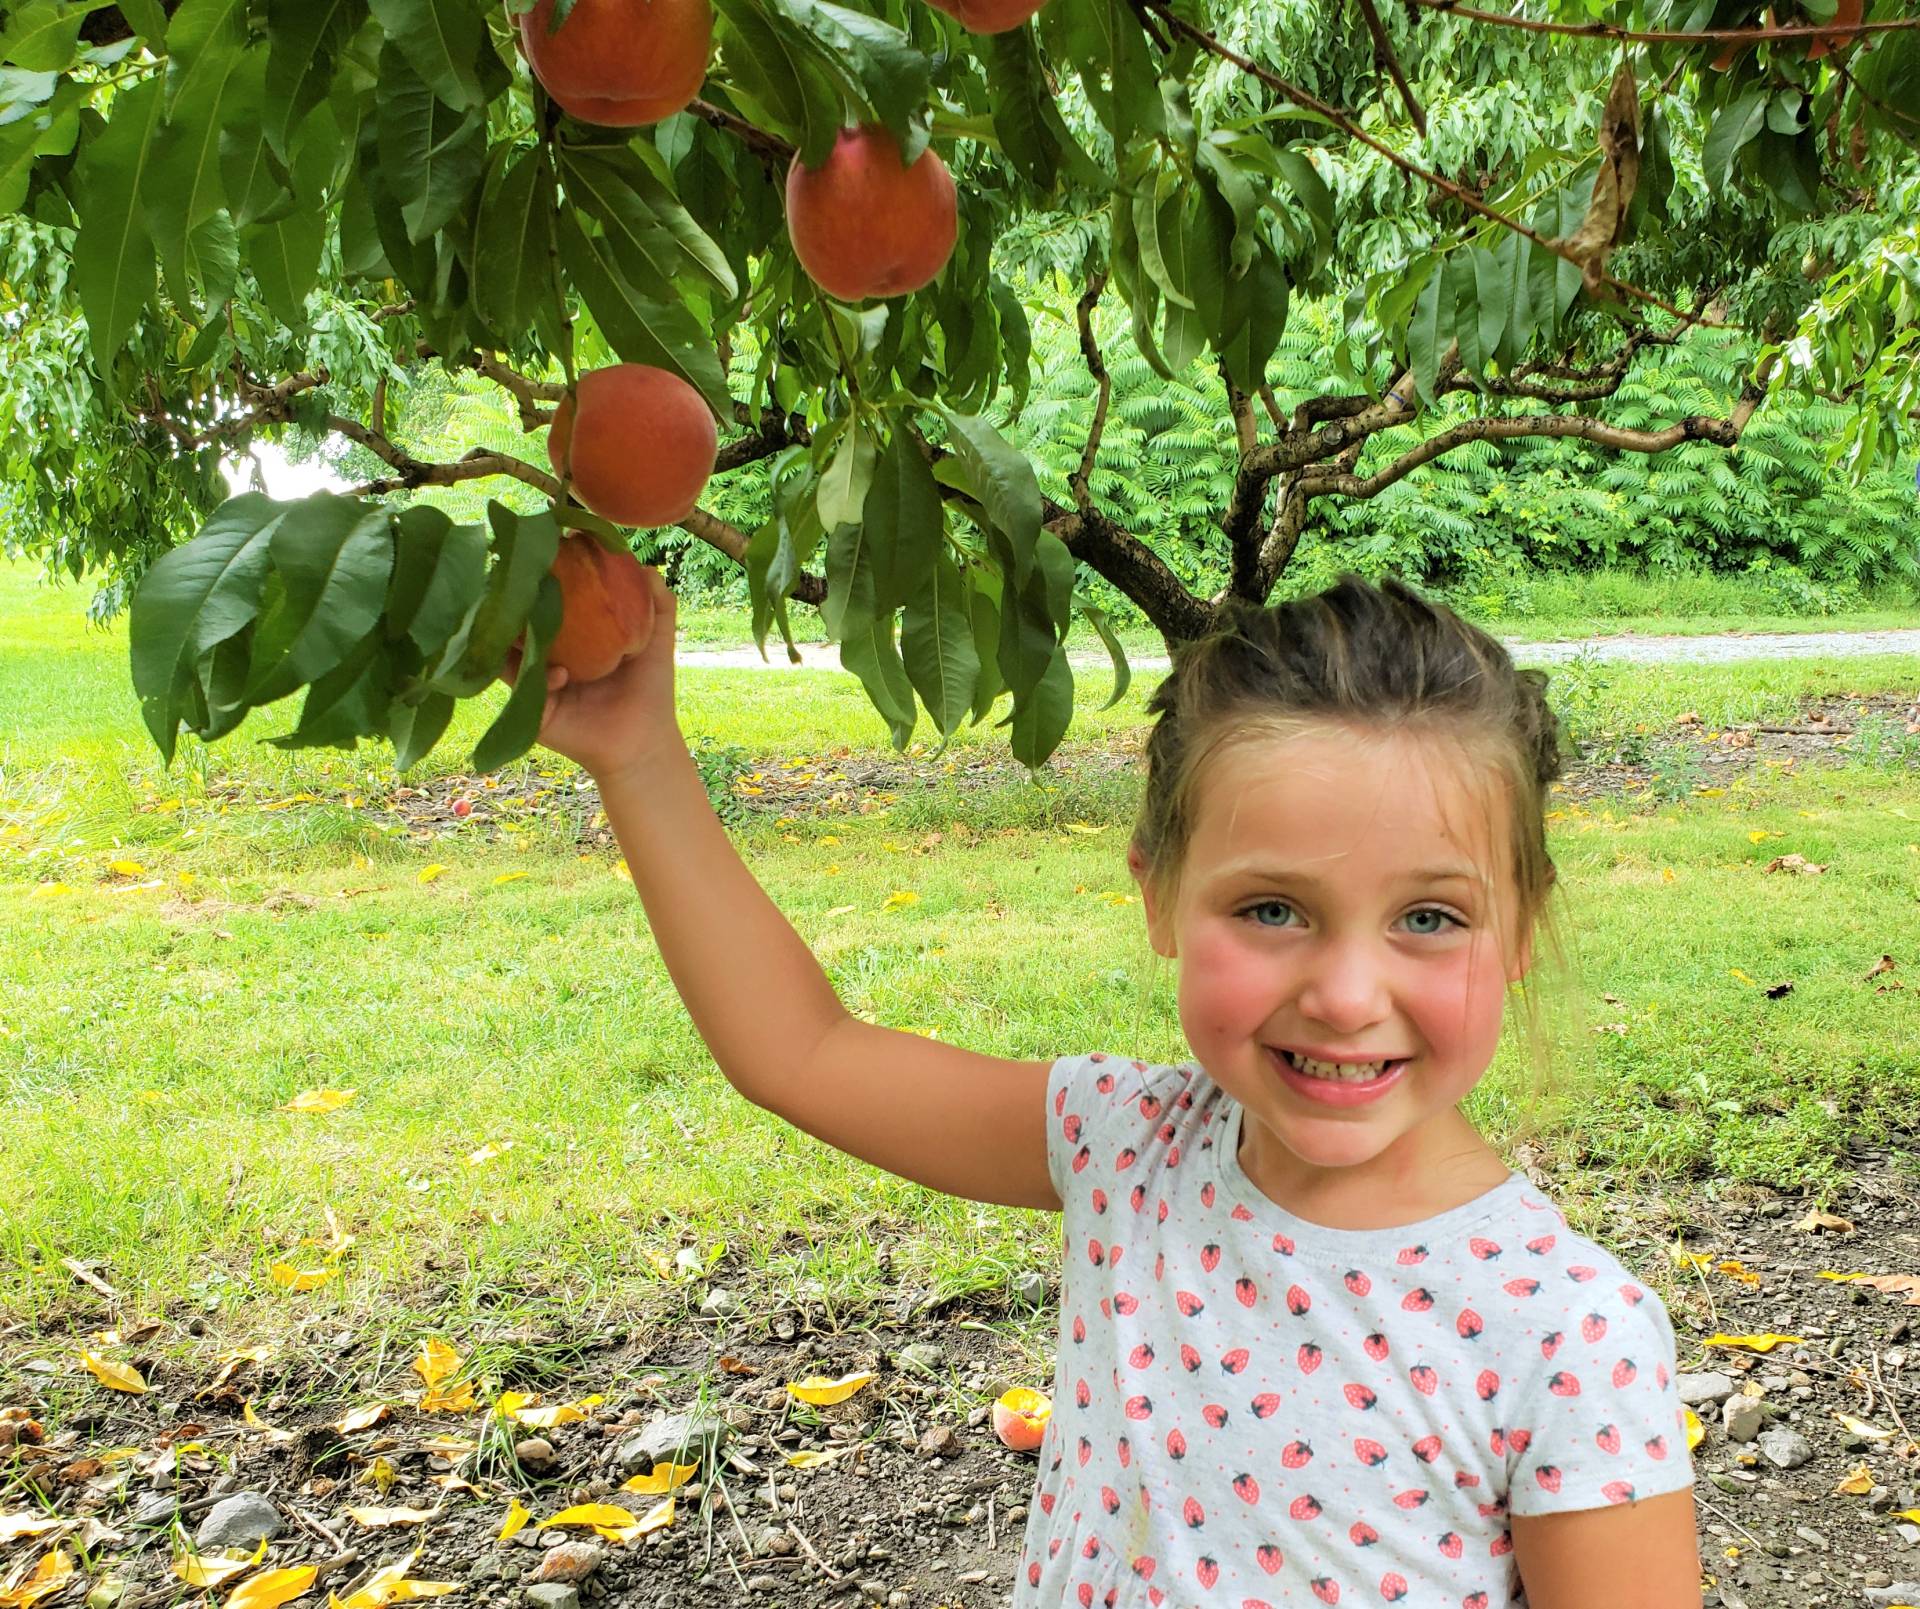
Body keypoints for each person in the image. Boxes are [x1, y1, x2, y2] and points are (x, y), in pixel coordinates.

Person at [516, 571, 1701, 1608]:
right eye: (1272, 909)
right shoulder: (1127, 1144)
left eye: (1429, 919)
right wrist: (641, 754)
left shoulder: (1568, 1334)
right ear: (1157, 895)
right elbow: (802, 1051)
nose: (1347, 993)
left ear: (1521, 929)